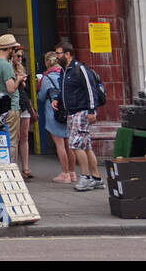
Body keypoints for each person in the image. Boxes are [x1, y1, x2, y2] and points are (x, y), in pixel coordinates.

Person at [54, 40, 103, 191]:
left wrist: (91, 110)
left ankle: (85, 177)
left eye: (58, 53)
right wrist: (58, 100)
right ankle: (96, 178)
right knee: (86, 146)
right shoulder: (64, 71)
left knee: (75, 144)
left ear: (67, 54)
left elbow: (90, 89)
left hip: (81, 111)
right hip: (72, 112)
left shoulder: (79, 69)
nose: (56, 56)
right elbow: (64, 90)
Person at [37, 51, 75, 183]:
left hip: (53, 112)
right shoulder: (65, 74)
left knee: (60, 144)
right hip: (67, 110)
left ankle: (64, 174)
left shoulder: (46, 78)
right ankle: (72, 173)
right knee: (68, 143)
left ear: (47, 62)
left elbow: (41, 97)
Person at [0, 34, 24, 162]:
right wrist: (18, 79)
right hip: (10, 107)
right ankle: (12, 170)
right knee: (12, 141)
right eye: (14, 49)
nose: (15, 52)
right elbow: (11, 89)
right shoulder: (5, 65)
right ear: (10, 49)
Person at [14, 46, 35, 179]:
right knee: (15, 137)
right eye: (18, 56)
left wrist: (31, 107)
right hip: (14, 106)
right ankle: (14, 166)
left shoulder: (22, 69)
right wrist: (19, 80)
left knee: (24, 136)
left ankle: (26, 167)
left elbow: (26, 92)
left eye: (22, 56)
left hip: (24, 104)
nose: (20, 59)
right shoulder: (8, 69)